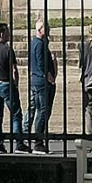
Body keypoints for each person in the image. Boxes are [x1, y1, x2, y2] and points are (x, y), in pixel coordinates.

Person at [0, 22, 25, 152]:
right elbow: (14, 69)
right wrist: (16, 83)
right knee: (16, 114)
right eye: (8, 32)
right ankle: (19, 142)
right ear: (2, 33)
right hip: (6, 83)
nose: (9, 34)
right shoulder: (7, 49)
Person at [27, 16, 57, 150]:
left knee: (41, 110)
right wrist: (49, 76)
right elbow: (41, 63)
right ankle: (38, 141)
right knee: (43, 111)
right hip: (42, 81)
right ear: (40, 30)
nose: (49, 30)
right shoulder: (39, 44)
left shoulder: (37, 43)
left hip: (38, 80)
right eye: (47, 28)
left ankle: (39, 138)